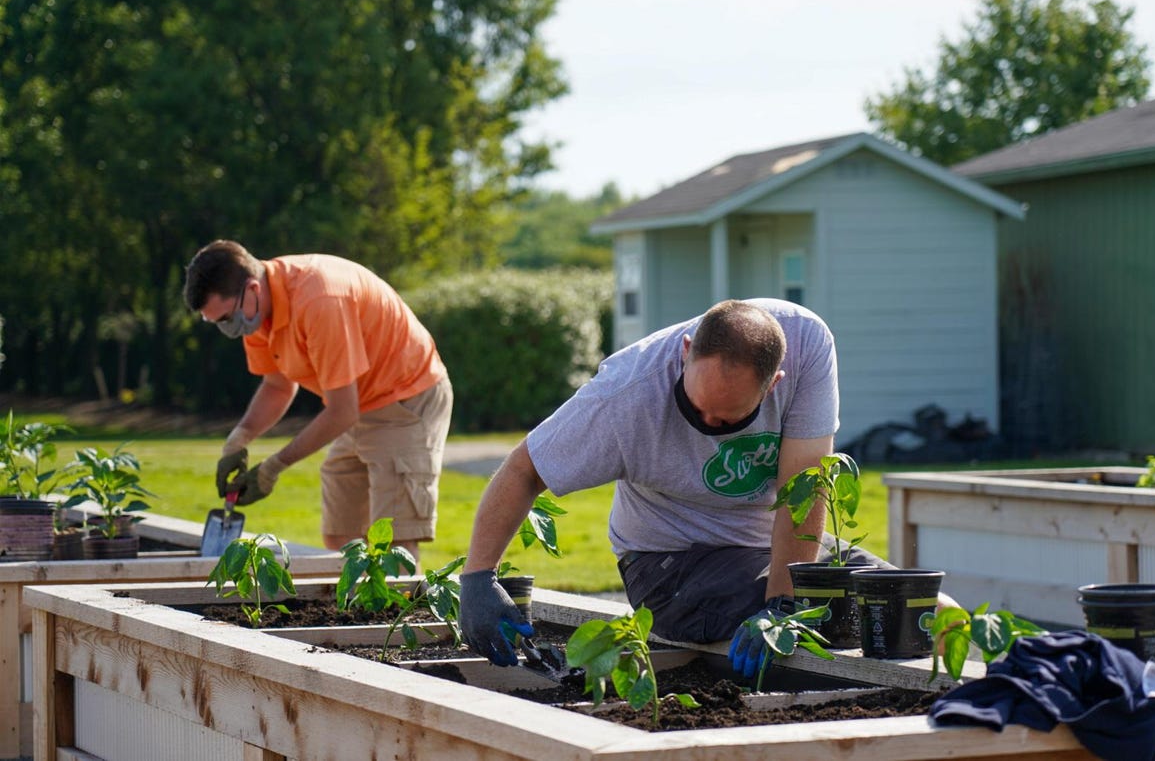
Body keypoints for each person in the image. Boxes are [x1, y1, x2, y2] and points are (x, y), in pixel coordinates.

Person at [458, 298, 897, 677]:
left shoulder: (807, 346)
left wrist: (782, 604)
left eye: (727, 420)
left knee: (905, 604)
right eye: (698, 407)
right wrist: (478, 577)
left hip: (766, 549)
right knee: (838, 616)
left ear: (774, 383)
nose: (708, 425)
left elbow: (804, 487)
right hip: (670, 564)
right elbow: (523, 470)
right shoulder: (626, 395)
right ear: (686, 352)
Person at [183, 240, 452, 561]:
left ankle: (399, 608)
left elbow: (341, 412)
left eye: (227, 318)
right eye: (216, 323)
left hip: (406, 398)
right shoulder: (257, 313)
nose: (228, 329)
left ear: (252, 288)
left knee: (393, 541)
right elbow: (277, 386)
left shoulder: (320, 299)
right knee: (341, 530)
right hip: (361, 400)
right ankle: (360, 608)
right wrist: (238, 438)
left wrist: (273, 467)